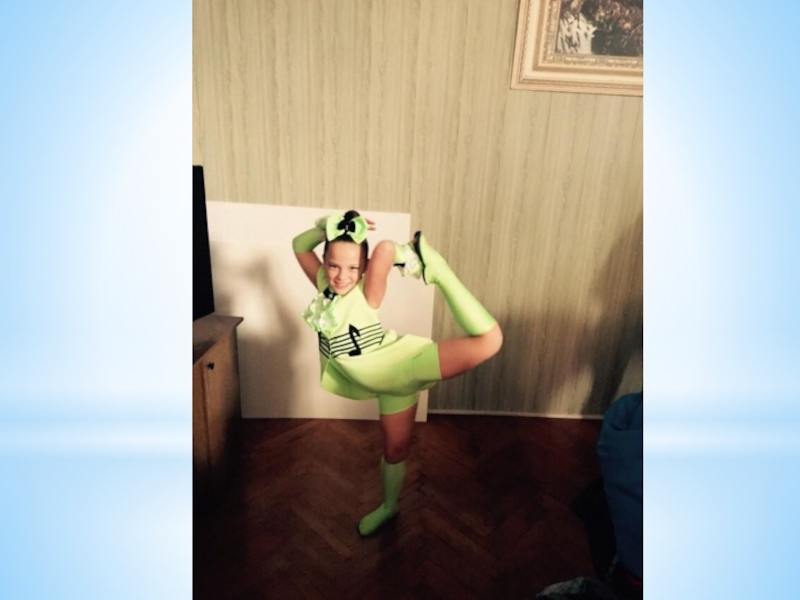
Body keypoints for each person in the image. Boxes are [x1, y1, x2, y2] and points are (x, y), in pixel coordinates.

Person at [292, 210, 503, 536]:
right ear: (325, 262)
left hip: (404, 365)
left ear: (363, 268)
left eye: (353, 268)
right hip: (390, 387)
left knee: (490, 340)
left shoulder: (367, 293)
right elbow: (299, 245)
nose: (342, 275)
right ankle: (389, 507)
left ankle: (439, 272)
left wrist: (399, 252)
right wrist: (326, 226)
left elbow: (384, 250)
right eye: (333, 265)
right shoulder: (324, 286)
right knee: (395, 451)